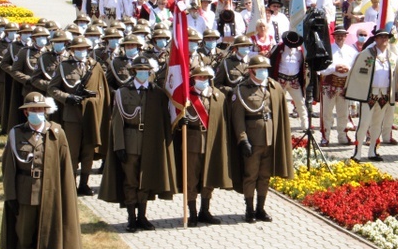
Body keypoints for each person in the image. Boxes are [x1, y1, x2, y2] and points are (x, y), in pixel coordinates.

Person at [0, 92, 82, 249]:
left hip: (50, 193)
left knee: (46, 237)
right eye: (33, 110)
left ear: (45, 111)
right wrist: (10, 195)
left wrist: (65, 195)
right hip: (25, 194)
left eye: (40, 110)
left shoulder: (56, 133)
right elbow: (8, 167)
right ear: (26, 111)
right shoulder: (16, 133)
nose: (37, 113)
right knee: (25, 237)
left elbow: (65, 166)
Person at [98, 56, 177, 232]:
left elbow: (164, 119)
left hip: (150, 142)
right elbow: (117, 122)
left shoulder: (157, 93)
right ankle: (131, 218)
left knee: (145, 181)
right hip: (130, 140)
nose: (143, 73)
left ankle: (142, 216)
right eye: (139, 70)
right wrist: (119, 146)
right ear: (133, 72)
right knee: (131, 181)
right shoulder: (123, 92)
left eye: (146, 70)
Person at [231, 55, 293, 223]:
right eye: (260, 68)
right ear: (251, 70)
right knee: (251, 175)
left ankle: (261, 208)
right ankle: (249, 209)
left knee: (265, 175)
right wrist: (242, 139)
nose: (263, 71)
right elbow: (238, 118)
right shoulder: (242, 90)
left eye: (265, 68)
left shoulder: (274, 87)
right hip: (253, 138)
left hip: (270, 138)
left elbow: (280, 114)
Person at [48, 36, 110, 196]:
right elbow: (52, 89)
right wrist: (67, 98)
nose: (82, 51)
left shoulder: (95, 66)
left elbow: (103, 90)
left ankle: (84, 184)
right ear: (72, 50)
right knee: (72, 152)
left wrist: (95, 101)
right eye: (78, 49)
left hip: (91, 115)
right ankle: (70, 184)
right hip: (72, 116)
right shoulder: (64, 66)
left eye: (84, 49)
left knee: (88, 152)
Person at [177, 66, 232, 227]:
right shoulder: (186, 96)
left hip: (211, 142)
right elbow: (173, 118)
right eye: (199, 77)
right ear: (194, 79)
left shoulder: (217, 96)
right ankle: (192, 212)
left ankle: (205, 211)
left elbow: (223, 120)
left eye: (205, 77)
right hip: (192, 141)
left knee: (209, 178)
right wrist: (181, 123)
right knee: (191, 179)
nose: (203, 80)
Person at [345, 29, 398, 162]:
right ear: (375, 39)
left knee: (377, 124)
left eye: (386, 37)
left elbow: (395, 76)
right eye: (381, 37)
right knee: (364, 123)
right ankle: (357, 153)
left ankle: (373, 151)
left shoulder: (392, 57)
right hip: (369, 94)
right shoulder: (366, 54)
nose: (384, 40)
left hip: (384, 95)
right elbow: (356, 73)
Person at [318, 25, 357, 145]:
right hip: (329, 84)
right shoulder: (327, 50)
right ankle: (326, 137)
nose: (340, 37)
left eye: (342, 35)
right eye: (337, 35)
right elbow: (320, 69)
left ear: (346, 36)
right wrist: (335, 68)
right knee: (327, 113)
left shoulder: (352, 51)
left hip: (345, 86)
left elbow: (357, 67)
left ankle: (343, 137)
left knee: (343, 113)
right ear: (334, 36)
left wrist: (348, 68)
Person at [268, 31, 307, 123]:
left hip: (294, 81)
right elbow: (270, 59)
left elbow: (302, 64)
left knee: (300, 103)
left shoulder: (300, 51)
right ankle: (276, 123)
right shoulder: (278, 48)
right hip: (281, 80)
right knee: (277, 102)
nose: (291, 47)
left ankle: (305, 125)